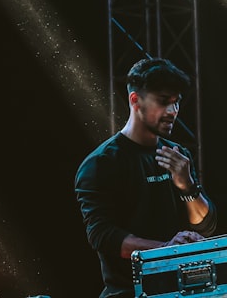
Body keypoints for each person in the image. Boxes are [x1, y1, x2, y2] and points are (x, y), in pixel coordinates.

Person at [75, 57, 218, 298]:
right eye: (164, 102)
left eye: (176, 103)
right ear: (135, 100)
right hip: (128, 293)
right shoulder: (102, 163)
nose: (173, 112)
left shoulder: (177, 155)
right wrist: (164, 250)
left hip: (184, 289)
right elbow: (104, 237)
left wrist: (187, 186)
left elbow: (205, 226)